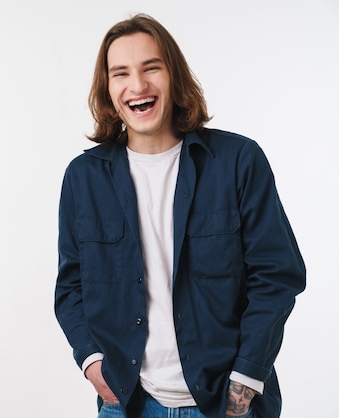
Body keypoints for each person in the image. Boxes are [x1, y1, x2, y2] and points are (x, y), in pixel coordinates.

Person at [54, 13, 305, 418]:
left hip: (224, 405)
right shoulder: (83, 179)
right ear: (108, 89)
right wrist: (91, 361)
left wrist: (244, 383)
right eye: (121, 73)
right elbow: (71, 287)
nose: (137, 85)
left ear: (174, 75)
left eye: (151, 67)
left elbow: (277, 276)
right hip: (127, 402)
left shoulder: (238, 162)